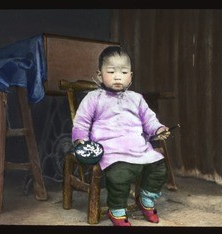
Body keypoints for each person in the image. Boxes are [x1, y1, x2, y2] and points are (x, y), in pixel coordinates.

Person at [72, 46, 171, 226]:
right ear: (100, 75)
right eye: (111, 71)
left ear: (130, 76)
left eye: (124, 72)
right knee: (119, 176)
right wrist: (81, 141)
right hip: (113, 151)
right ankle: (116, 209)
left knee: (159, 168)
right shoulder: (94, 98)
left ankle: (146, 200)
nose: (118, 76)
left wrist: (158, 129)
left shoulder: (136, 98)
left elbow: (149, 120)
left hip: (139, 148)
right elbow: (81, 122)